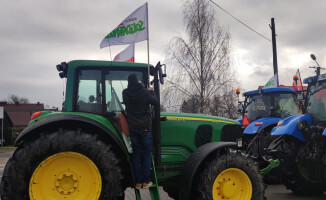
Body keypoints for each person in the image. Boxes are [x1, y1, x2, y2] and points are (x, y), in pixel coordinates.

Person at [122, 74, 158, 189]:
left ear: (128, 81)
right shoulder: (144, 91)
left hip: (133, 127)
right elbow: (155, 102)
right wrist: (150, 91)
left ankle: (138, 182)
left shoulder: (125, 93)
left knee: (136, 154)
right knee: (147, 153)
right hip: (145, 127)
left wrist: (142, 89)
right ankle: (146, 181)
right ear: (137, 81)